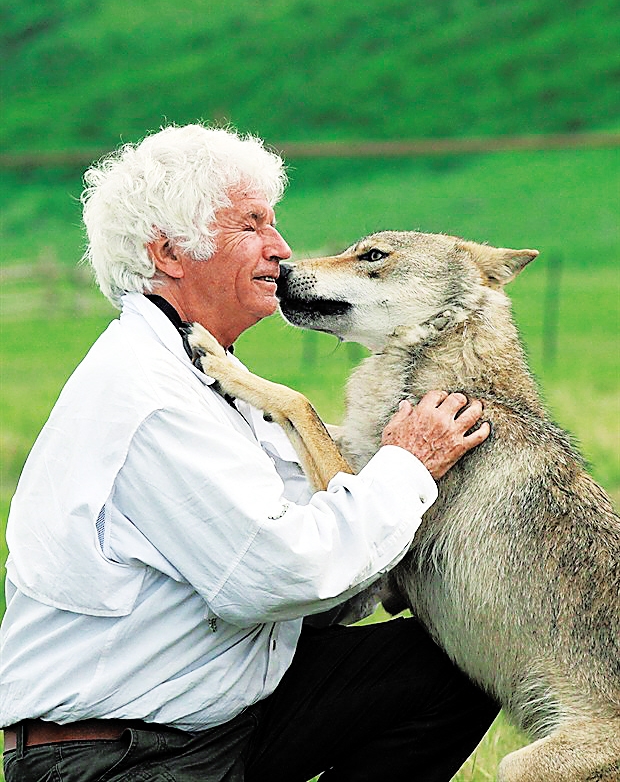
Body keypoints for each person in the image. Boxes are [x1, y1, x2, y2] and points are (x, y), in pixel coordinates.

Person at [1, 124, 497, 782]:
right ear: (170, 253)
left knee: (461, 663)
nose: (282, 248)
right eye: (252, 225)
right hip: (115, 753)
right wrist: (407, 466)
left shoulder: (207, 378)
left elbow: (326, 593)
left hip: (221, 720)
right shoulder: (148, 394)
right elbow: (281, 575)